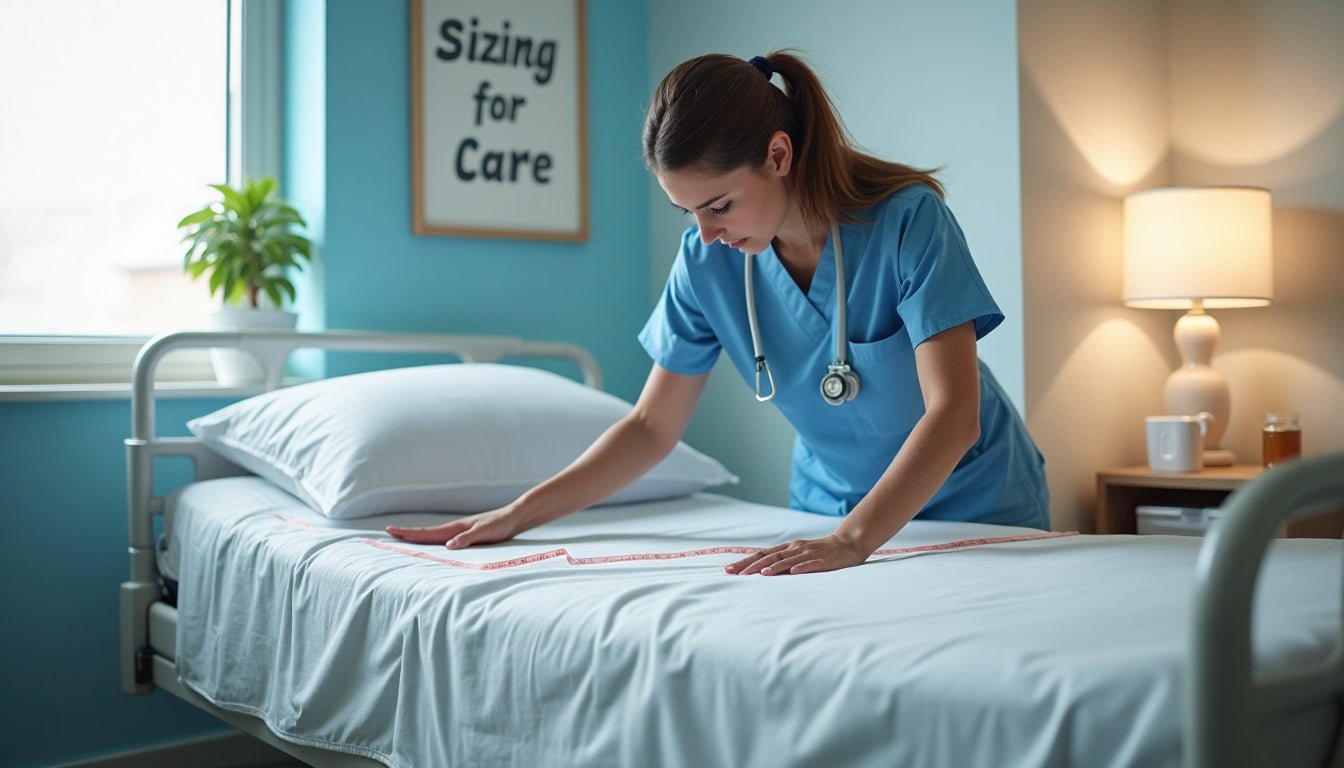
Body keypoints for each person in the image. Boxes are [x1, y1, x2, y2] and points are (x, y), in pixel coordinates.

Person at [388, 50, 1049, 575]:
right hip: (833, 510)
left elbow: (955, 415)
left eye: (720, 205)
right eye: (688, 212)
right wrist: (517, 514)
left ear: (779, 154)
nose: (704, 233)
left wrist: (853, 542)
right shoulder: (708, 264)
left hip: (973, 504)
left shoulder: (909, 223)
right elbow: (651, 427)